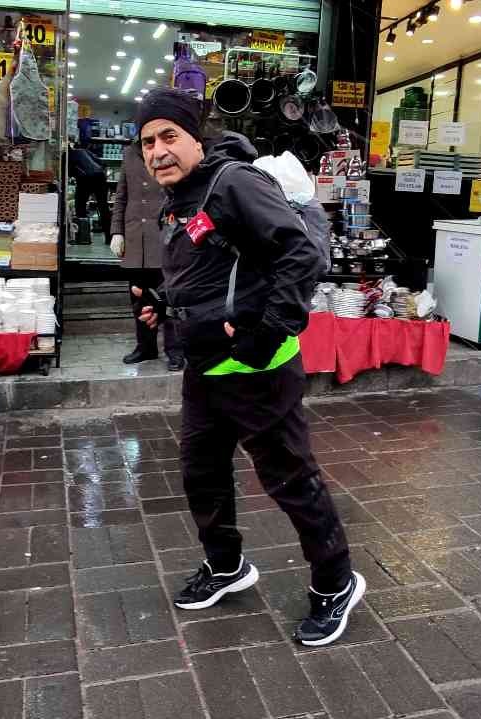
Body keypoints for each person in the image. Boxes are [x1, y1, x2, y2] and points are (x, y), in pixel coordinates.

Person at [132, 88, 361, 646]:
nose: (158, 150)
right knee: (202, 474)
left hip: (259, 368)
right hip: (206, 368)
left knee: (289, 480)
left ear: (194, 138)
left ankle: (336, 582)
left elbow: (301, 255)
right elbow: (214, 269)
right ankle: (226, 566)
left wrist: (265, 333)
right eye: (146, 142)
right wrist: (167, 306)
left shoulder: (233, 182)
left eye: (169, 136)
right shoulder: (181, 197)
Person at [111, 141, 184, 370]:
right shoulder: (129, 153)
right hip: (135, 240)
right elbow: (121, 195)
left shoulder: (169, 152)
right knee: (139, 299)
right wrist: (117, 231)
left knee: (169, 298)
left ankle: (175, 351)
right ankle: (146, 347)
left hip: (164, 235)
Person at [68, 145, 110, 243]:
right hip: (100, 176)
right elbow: (102, 163)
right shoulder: (82, 150)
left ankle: (82, 236)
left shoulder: (67, 157)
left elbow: (69, 173)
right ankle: (109, 237)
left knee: (80, 206)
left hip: (84, 179)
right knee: (103, 207)